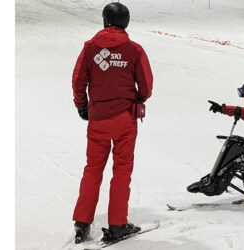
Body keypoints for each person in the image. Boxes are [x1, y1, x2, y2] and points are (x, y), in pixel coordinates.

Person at [71, 2, 153, 244]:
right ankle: (117, 225)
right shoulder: (134, 50)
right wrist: (137, 99)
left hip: (97, 119)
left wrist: (82, 105)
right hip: (124, 120)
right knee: (121, 171)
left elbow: (78, 81)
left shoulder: (89, 48)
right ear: (125, 22)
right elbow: (146, 86)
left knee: (92, 169)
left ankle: (82, 222)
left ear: (105, 20)